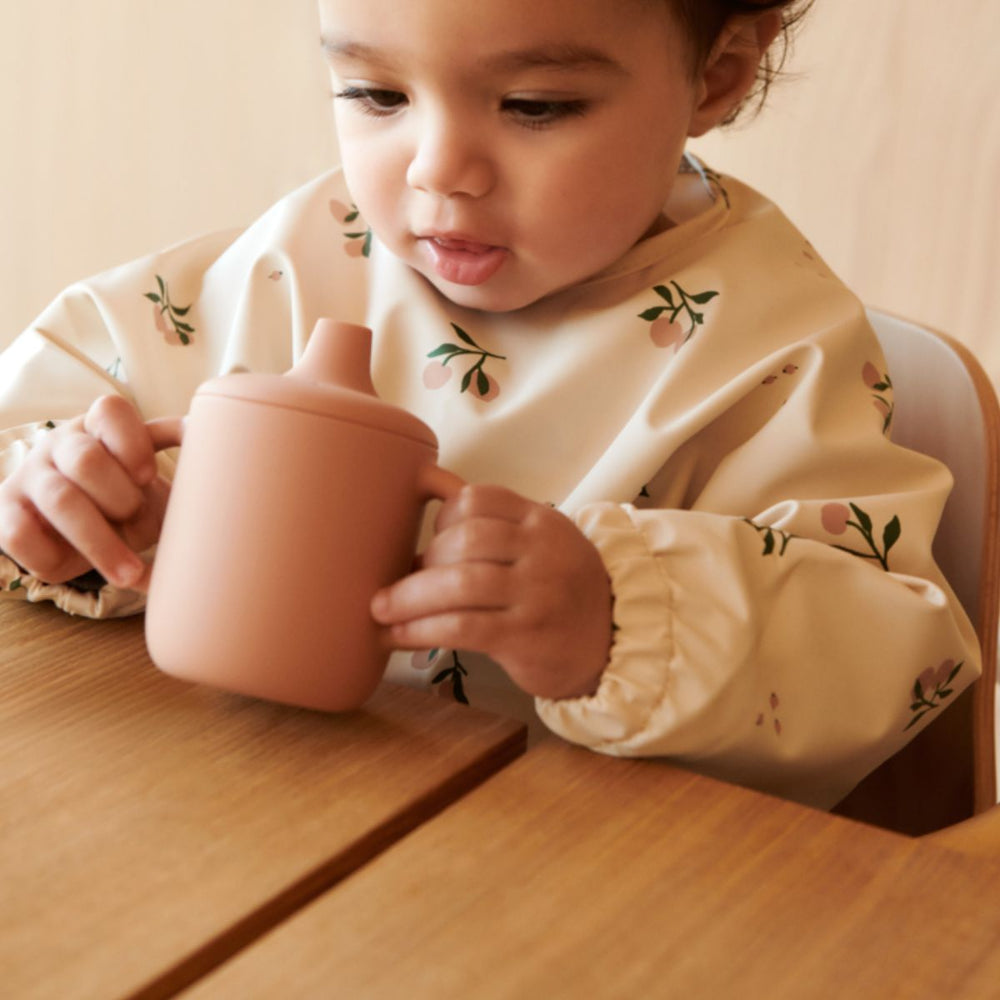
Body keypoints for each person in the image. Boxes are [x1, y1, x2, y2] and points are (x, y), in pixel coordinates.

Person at [0, 0, 980, 809]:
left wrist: (618, 620)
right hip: (236, 803)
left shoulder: (773, 343)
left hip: (557, 880)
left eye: (533, 104)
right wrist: (71, 500)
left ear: (715, 77)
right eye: (377, 93)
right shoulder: (303, 258)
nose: (437, 169)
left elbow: (893, 654)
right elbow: (48, 405)